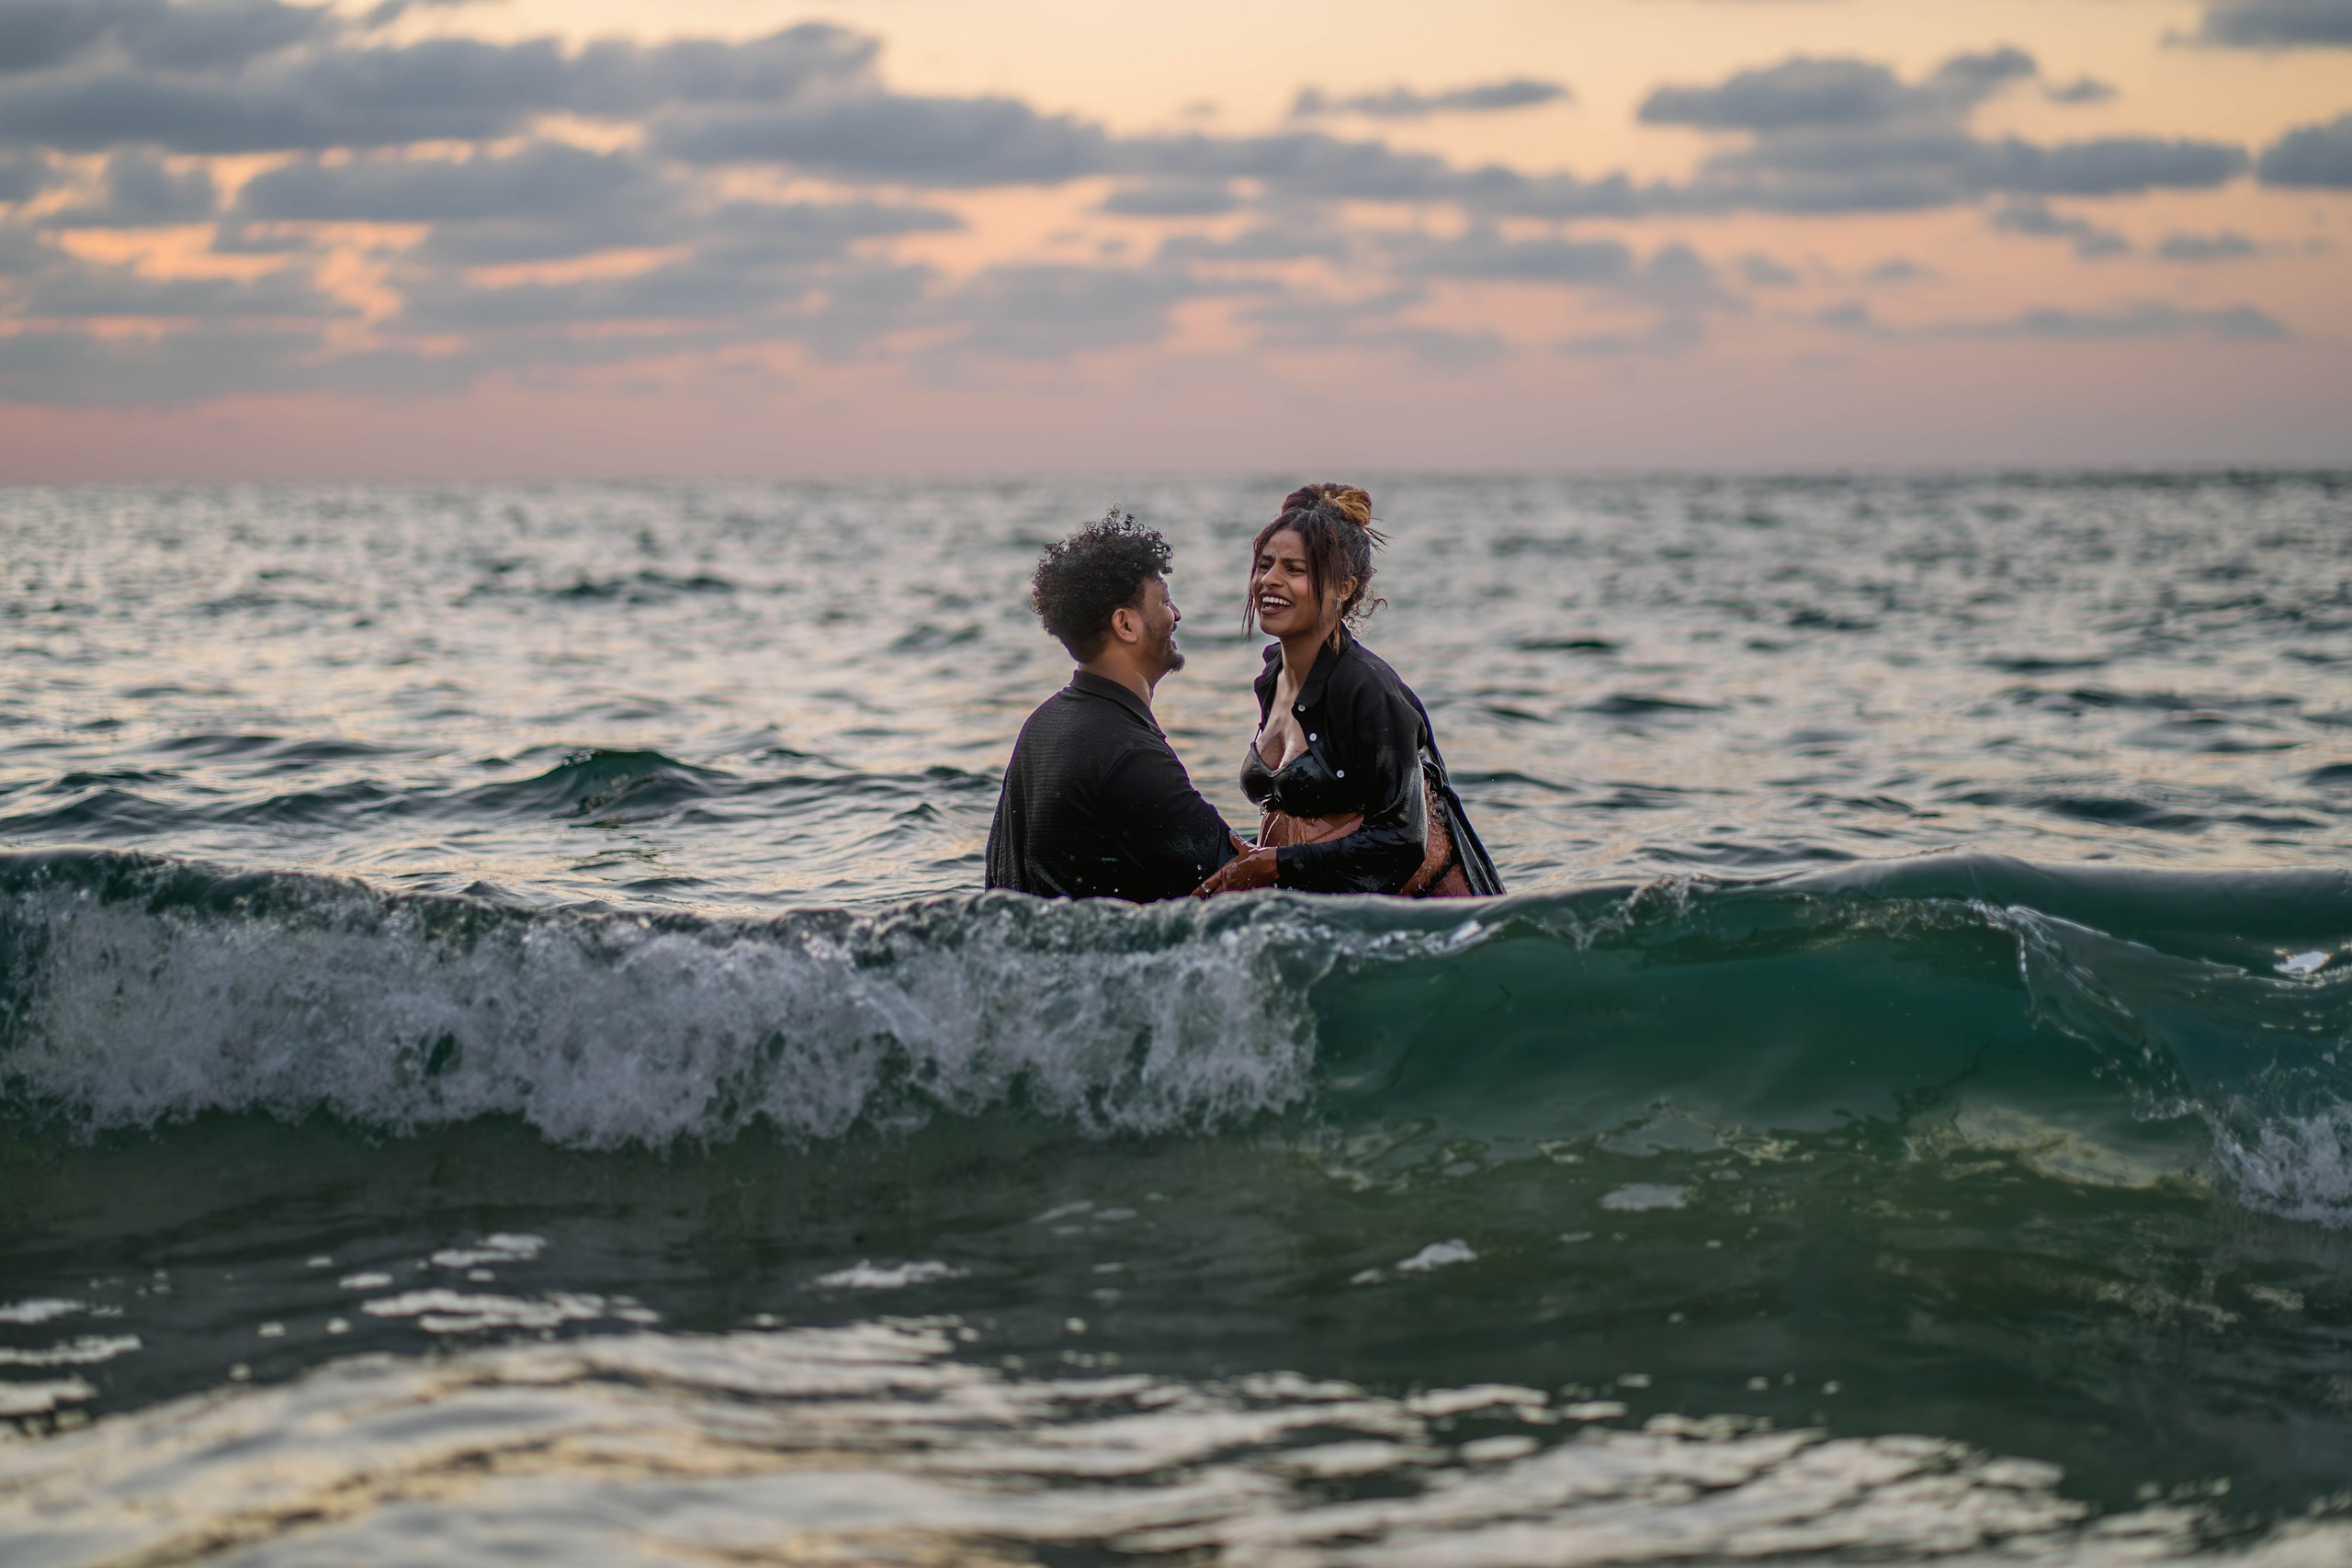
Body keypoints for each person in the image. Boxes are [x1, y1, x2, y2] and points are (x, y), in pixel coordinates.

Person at [1195, 483, 1503, 899]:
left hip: (1435, 925)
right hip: (1327, 914)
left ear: (1343, 587)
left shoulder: (1369, 689)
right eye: (1265, 565)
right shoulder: (1272, 677)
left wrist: (1275, 865)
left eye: (1295, 569)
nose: (1269, 580)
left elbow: (1402, 840)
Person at [986, 512, 1241, 901]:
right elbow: (1245, 882)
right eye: (1165, 602)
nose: (1176, 615)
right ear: (1126, 624)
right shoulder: (1129, 755)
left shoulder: (1042, 726)